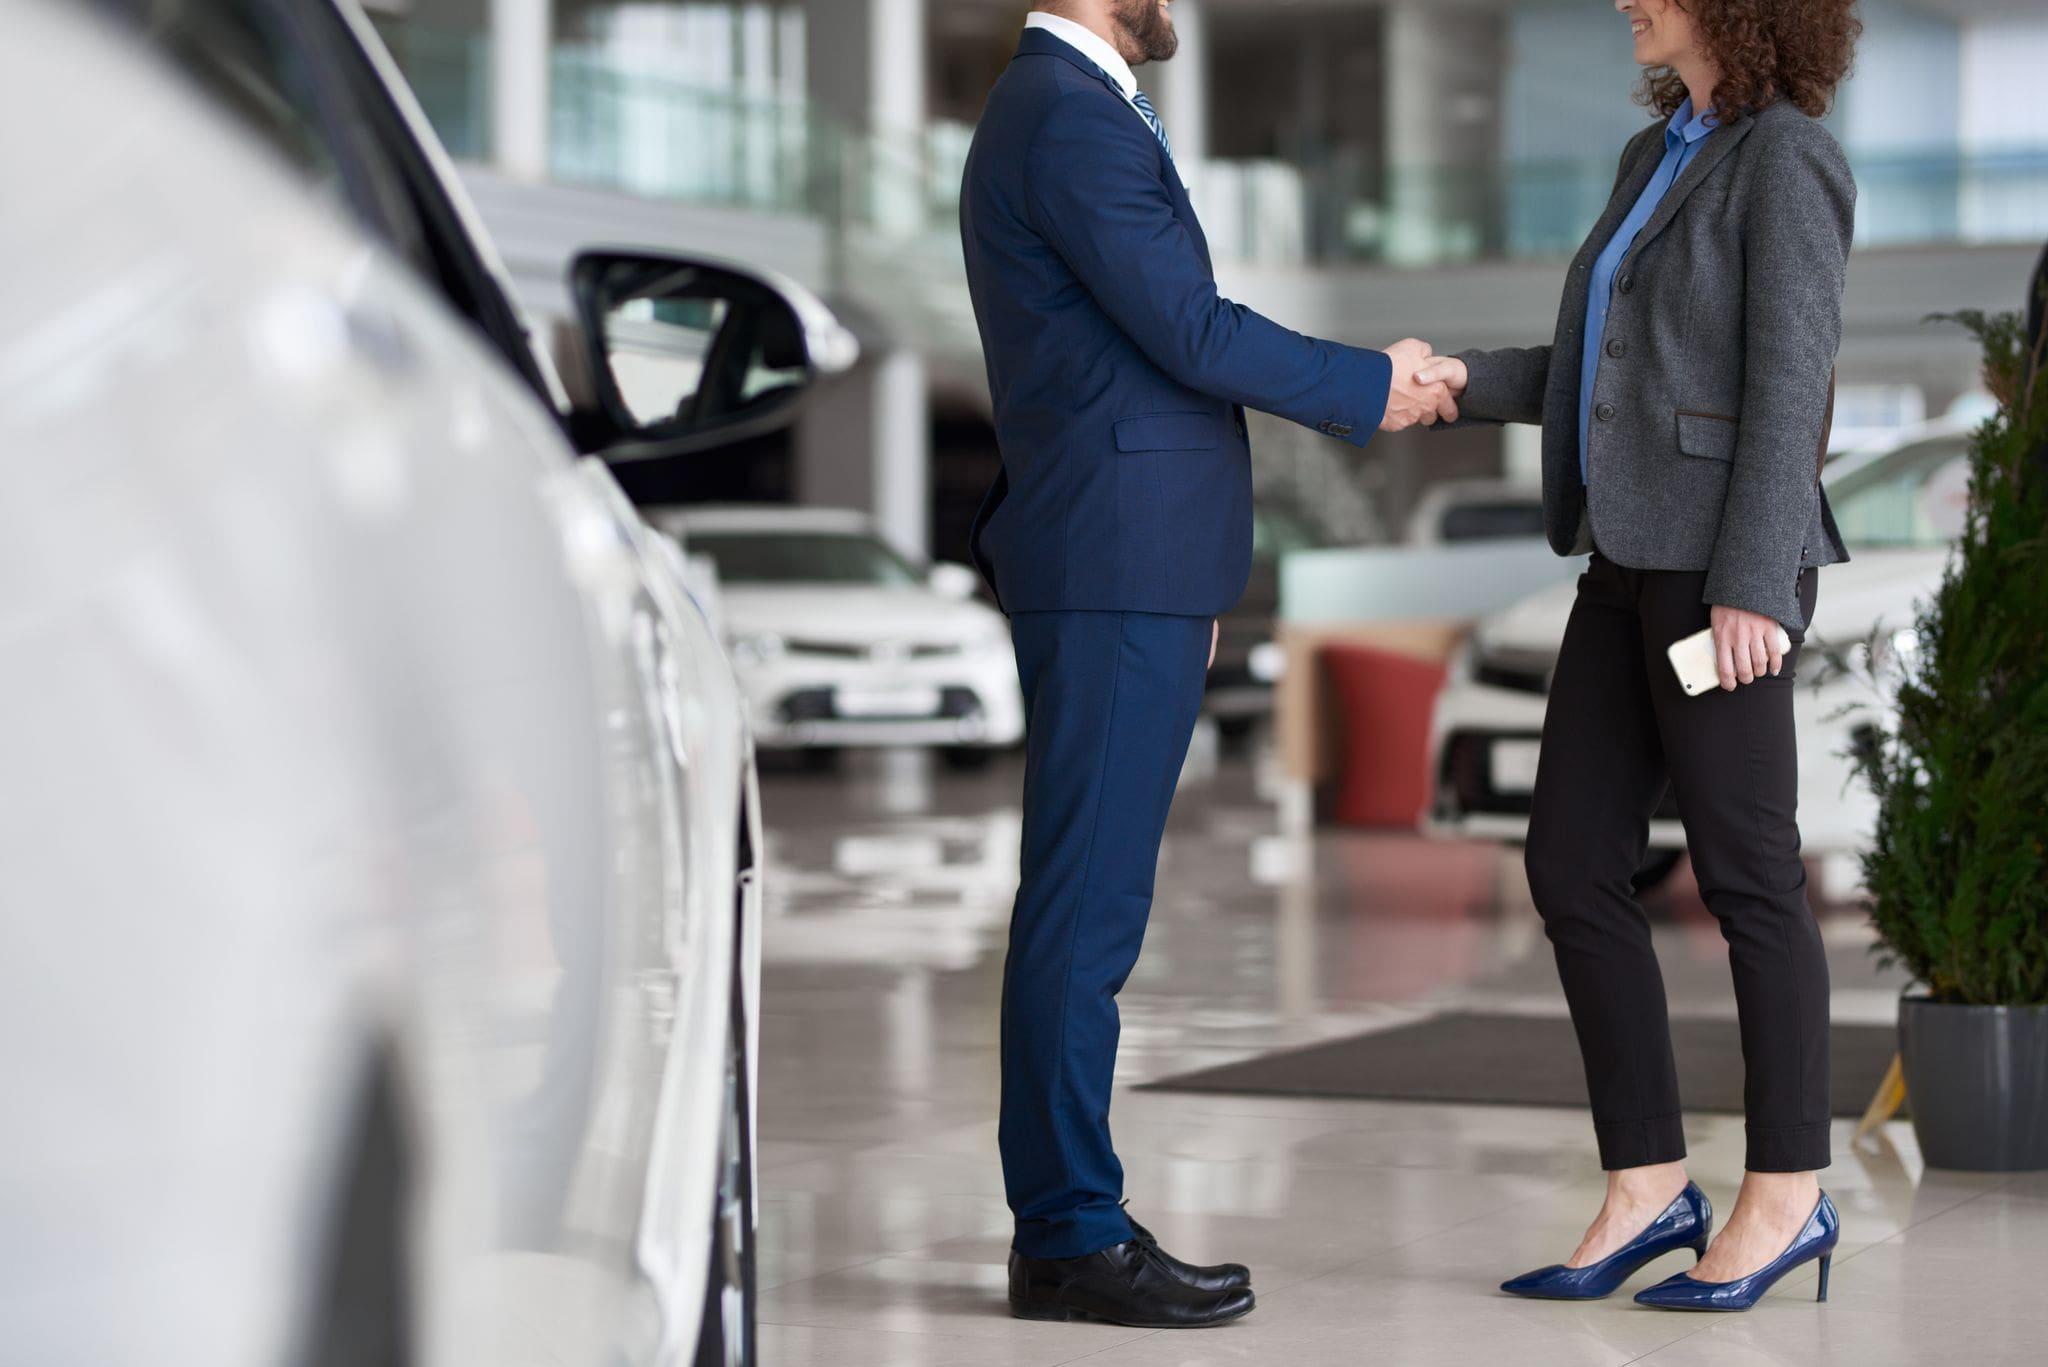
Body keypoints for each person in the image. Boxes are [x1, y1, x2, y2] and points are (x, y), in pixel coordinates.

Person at [958, 0, 1450, 1331]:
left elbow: (1130, 355)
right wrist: (1369, 382)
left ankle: (1069, 1222)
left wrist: (1185, 571)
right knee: (1086, 908)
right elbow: (1189, 331)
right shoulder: (1065, 114)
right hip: (1111, 561)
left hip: (1137, 563)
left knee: (1089, 902)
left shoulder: (1074, 110)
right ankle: (1068, 1233)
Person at [1414, 0, 1862, 1313]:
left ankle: (1785, 1194)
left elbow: (1793, 381)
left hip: (1720, 571)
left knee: (1749, 877)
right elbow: (1603, 371)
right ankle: (1647, 1183)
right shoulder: (1656, 151)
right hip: (1624, 562)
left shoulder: (1785, 156)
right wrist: (1451, 379)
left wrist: (1753, 582)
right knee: (1568, 861)